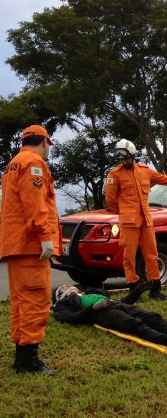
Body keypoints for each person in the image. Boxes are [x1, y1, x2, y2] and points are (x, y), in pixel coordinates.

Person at [104, 139, 167, 303]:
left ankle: (155, 289)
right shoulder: (114, 175)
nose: (124, 161)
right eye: (122, 159)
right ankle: (134, 288)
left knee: (152, 255)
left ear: (133, 155)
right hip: (129, 222)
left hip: (146, 221)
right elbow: (110, 201)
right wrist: (125, 213)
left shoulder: (145, 171)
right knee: (129, 257)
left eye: (127, 158)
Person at [0, 125, 60, 374]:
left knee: (22, 302)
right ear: (44, 141)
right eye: (49, 145)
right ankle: (28, 361)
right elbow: (35, 204)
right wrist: (45, 237)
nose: (48, 150)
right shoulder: (33, 164)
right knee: (36, 300)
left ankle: (22, 357)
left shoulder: (14, 164)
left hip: (17, 245)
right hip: (31, 245)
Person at [52, 284, 167, 350]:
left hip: (114, 304)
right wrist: (92, 308)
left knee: (151, 316)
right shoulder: (62, 305)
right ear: (60, 294)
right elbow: (71, 318)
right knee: (135, 324)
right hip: (100, 314)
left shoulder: (87, 292)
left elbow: (120, 300)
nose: (69, 286)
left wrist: (136, 292)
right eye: (64, 287)